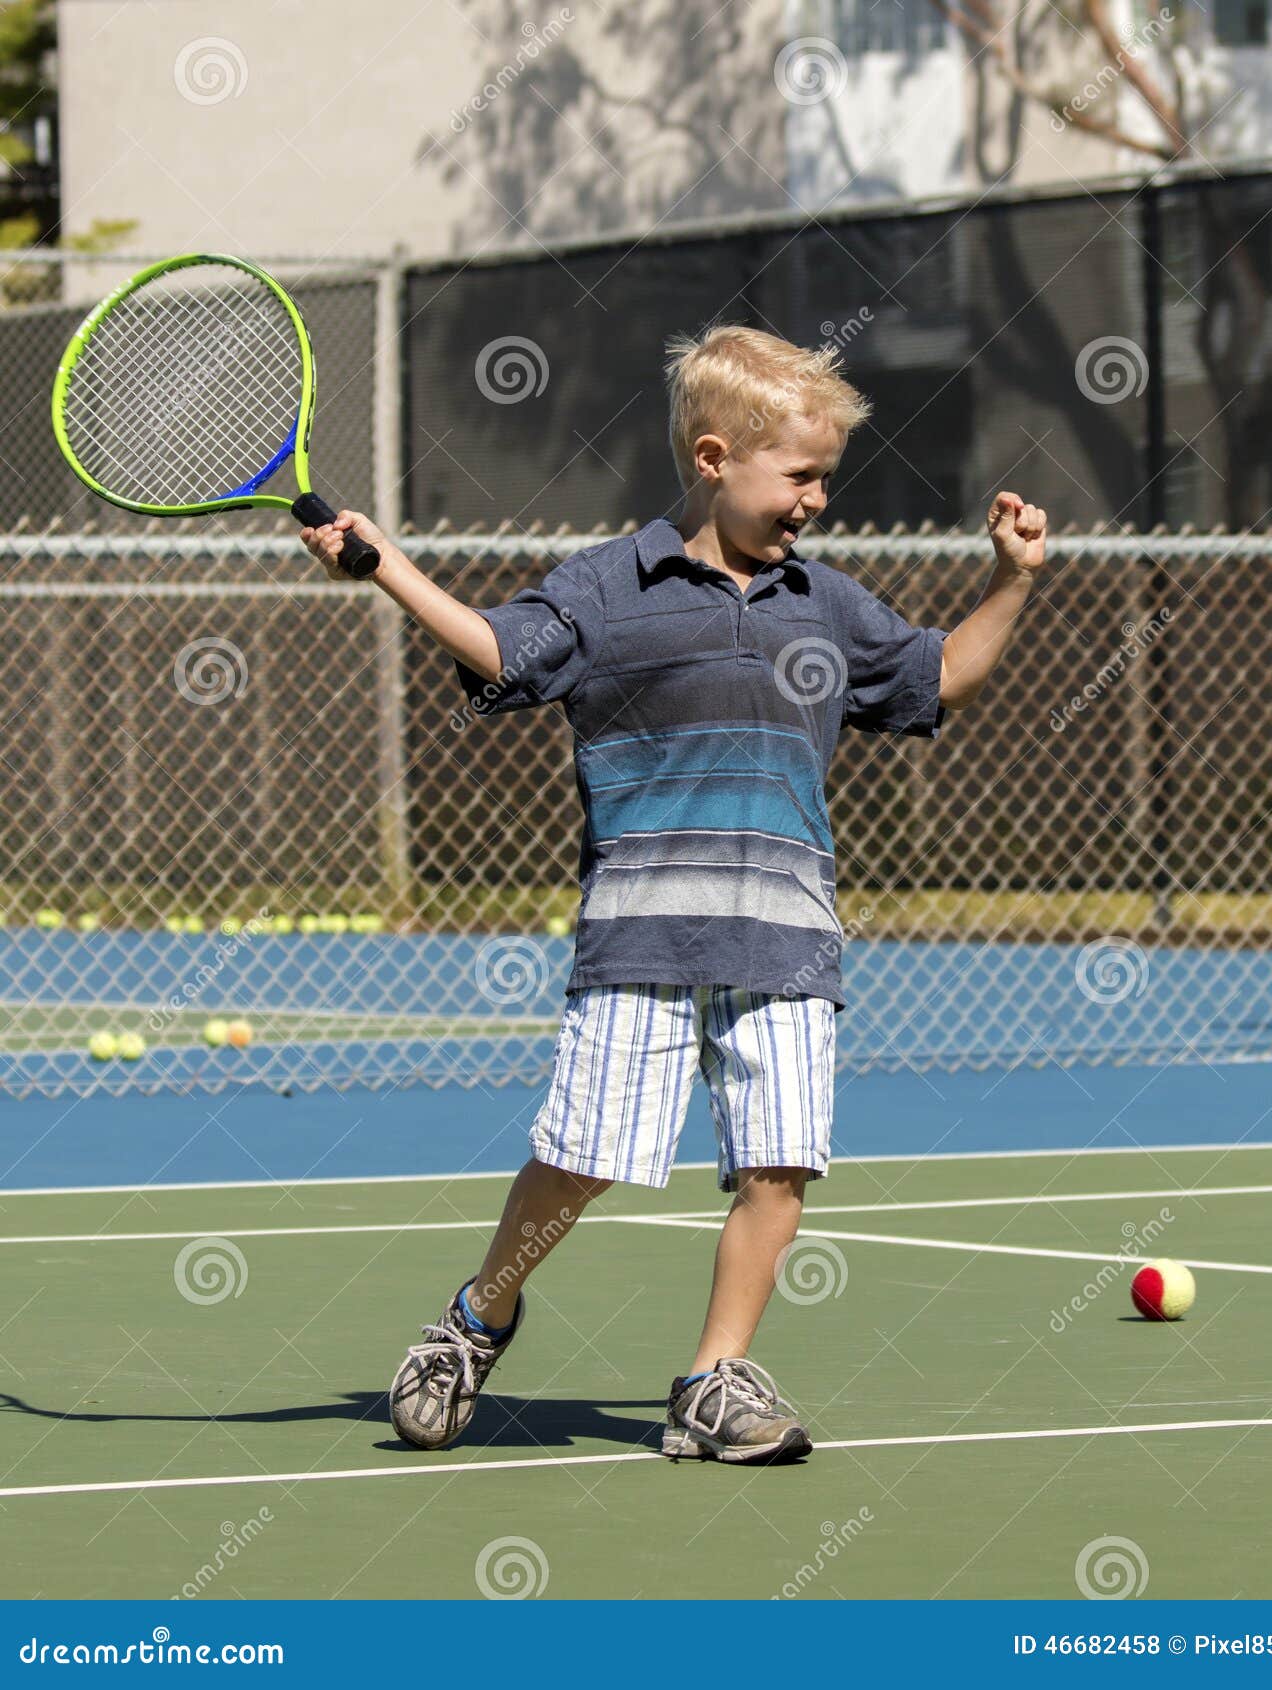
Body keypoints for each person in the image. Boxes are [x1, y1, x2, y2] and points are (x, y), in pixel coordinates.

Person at [300, 323, 1047, 1464]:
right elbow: (500, 652)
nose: (816, 500)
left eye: (825, 478)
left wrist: (1011, 580)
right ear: (713, 458)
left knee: (778, 1167)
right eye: (799, 476)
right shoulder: (607, 587)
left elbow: (937, 678)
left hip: (789, 943)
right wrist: (386, 566)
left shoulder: (825, 602)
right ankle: (476, 1318)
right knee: (582, 1160)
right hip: (639, 936)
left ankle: (713, 1379)